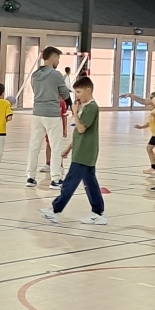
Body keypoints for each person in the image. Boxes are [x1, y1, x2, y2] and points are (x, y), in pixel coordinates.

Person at [39, 76, 106, 225]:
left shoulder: (91, 107)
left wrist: (75, 112)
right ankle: (98, 213)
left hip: (85, 153)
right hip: (81, 151)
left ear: (88, 90)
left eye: (79, 92)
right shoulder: (85, 107)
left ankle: (55, 210)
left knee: (69, 183)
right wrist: (69, 148)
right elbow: (78, 134)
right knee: (91, 184)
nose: (77, 96)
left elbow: (81, 129)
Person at [25, 47, 71, 189]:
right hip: (51, 114)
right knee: (56, 146)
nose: (58, 61)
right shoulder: (56, 75)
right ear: (53, 58)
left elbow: (36, 91)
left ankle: (30, 177)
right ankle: (55, 179)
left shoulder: (34, 75)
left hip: (37, 113)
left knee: (34, 146)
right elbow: (65, 93)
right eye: (58, 58)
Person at [134, 92, 155, 176]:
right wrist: (141, 127)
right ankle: (153, 167)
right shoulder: (153, 110)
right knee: (149, 149)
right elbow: (150, 123)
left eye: (151, 98)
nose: (149, 100)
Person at [42, 98, 69, 175]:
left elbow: (64, 116)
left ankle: (60, 166)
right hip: (49, 126)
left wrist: (64, 128)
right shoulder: (47, 102)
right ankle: (48, 164)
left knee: (57, 146)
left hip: (58, 127)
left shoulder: (62, 102)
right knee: (48, 144)